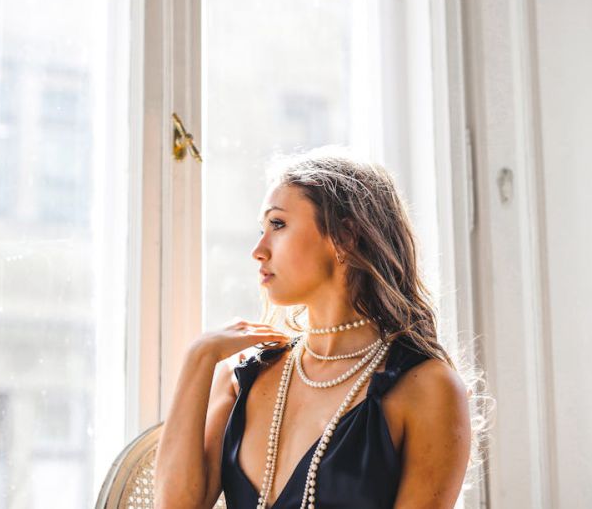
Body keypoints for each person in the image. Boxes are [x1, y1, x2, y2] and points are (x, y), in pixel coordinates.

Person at [155, 147, 479, 508]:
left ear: (345, 237)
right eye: (261, 230)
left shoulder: (426, 389)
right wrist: (198, 359)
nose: (258, 250)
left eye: (277, 225)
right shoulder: (243, 376)